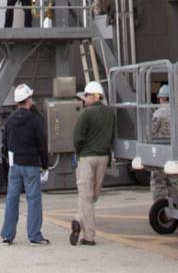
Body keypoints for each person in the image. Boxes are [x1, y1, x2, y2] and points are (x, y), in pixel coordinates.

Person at [0, 83, 50, 245]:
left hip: (14, 165)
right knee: (33, 199)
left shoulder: (10, 120)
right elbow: (42, 144)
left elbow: (4, 144)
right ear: (28, 99)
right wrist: (45, 165)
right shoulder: (35, 119)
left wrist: (8, 162)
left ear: (17, 102)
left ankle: (7, 235)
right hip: (31, 164)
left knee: (12, 199)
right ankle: (34, 236)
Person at [70, 80, 116, 247]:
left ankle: (88, 235)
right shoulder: (110, 113)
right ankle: (77, 220)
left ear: (94, 96)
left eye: (86, 96)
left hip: (87, 157)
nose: (84, 99)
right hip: (103, 157)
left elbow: (77, 137)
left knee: (86, 196)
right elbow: (113, 135)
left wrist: (78, 152)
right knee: (93, 195)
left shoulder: (86, 114)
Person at [150, 84, 178, 204]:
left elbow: (151, 132)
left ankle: (159, 206)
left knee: (158, 181)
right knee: (173, 181)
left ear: (163, 98)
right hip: (173, 151)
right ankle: (173, 204)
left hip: (159, 152)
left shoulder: (158, 114)